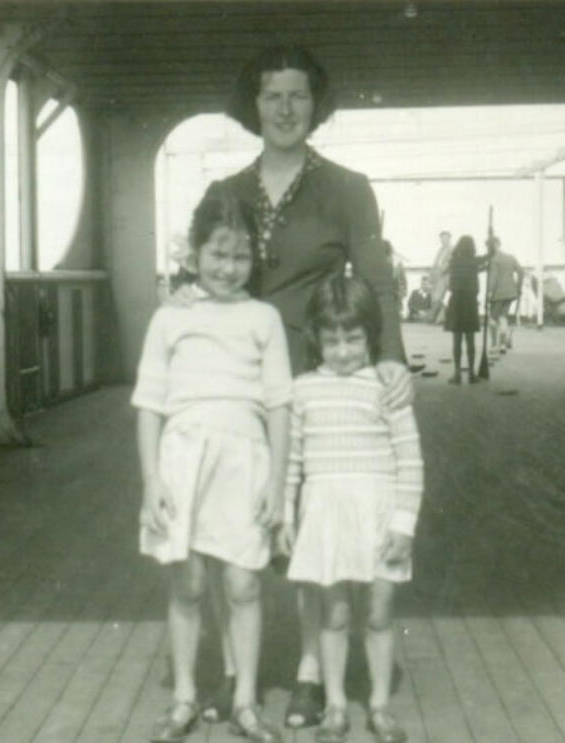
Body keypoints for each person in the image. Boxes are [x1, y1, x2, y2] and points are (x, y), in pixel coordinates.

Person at [204, 44, 413, 730]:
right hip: (238, 378)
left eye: (298, 96)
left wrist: (390, 358)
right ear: (253, 105)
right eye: (272, 96)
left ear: (315, 106)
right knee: (234, 517)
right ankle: (235, 669)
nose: (286, 109)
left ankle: (306, 676)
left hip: (316, 374)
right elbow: (198, 277)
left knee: (307, 526)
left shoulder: (348, 188)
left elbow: (376, 277)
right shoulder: (224, 192)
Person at [134, 188, 291, 743]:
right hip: (183, 462)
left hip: (245, 462)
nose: (229, 268)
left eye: (241, 256)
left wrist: (277, 482)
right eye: (218, 254)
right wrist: (152, 480)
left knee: (244, 584)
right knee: (189, 584)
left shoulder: (264, 318)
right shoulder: (170, 319)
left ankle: (245, 699)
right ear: (194, 252)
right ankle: (183, 696)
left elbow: (277, 405)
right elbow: (150, 406)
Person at [280, 275, 423, 743]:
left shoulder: (387, 387)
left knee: (379, 615)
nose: (342, 351)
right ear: (316, 339)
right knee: (334, 616)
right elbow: (292, 462)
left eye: (353, 338)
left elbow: (411, 462)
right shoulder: (301, 389)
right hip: (325, 520)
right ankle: (337, 703)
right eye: (332, 339)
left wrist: (404, 524)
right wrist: (283, 515)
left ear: (370, 336)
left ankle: (379, 704)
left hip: (379, 518)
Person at [444, 235, 481, 385]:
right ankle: (472, 373)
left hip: (456, 302)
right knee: (470, 339)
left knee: (457, 339)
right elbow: (489, 255)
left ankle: (457, 373)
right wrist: (490, 242)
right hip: (470, 302)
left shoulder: (454, 262)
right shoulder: (475, 262)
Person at [484, 235, 523, 355]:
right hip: (511, 293)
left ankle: (494, 345)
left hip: (497, 294)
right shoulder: (510, 257)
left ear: (493, 245)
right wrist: (518, 287)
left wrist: (489, 293)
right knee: (503, 317)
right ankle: (502, 345)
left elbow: (494, 278)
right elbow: (521, 272)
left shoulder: (494, 259)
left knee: (492, 319)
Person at [428, 230, 454, 324]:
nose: (443, 240)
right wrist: (432, 275)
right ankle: (437, 318)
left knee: (439, 297)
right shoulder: (440, 250)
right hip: (437, 276)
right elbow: (435, 263)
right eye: (442, 238)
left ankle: (436, 318)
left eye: (445, 238)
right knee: (436, 297)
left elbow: (449, 263)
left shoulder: (452, 249)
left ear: (449, 239)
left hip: (446, 276)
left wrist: (441, 271)